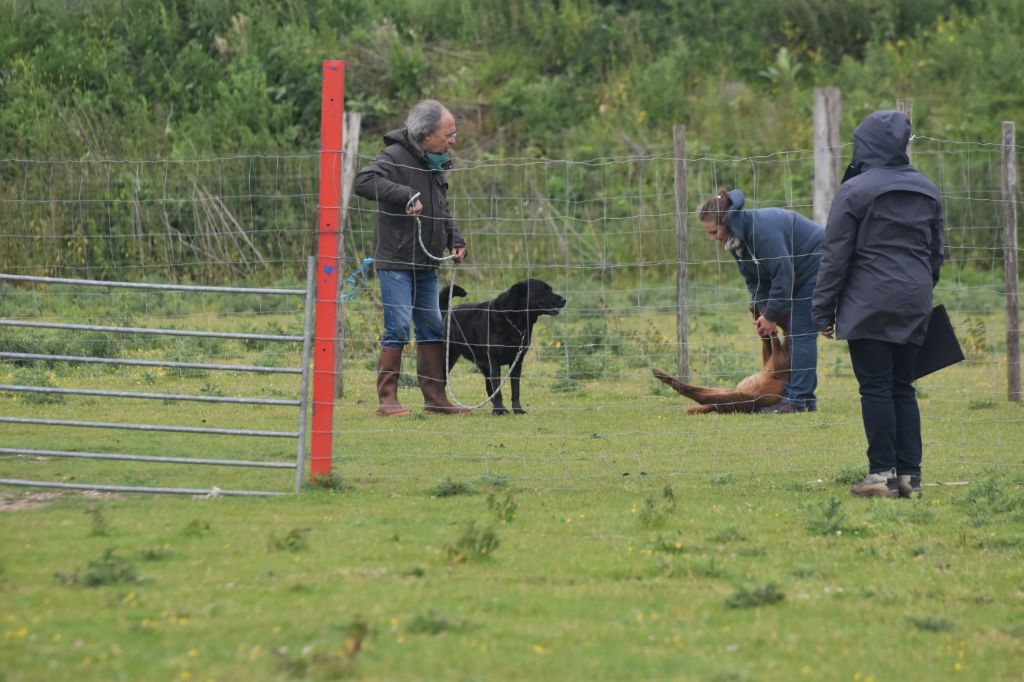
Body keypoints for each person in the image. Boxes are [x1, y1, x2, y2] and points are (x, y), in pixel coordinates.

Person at [811, 110, 944, 498]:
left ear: (865, 144)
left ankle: (880, 476)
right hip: (914, 300)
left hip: (867, 303)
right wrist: (919, 290)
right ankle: (910, 478)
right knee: (903, 387)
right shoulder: (928, 190)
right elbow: (935, 254)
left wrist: (822, 311)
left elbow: (834, 257)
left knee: (876, 388)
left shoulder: (854, 191)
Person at [354, 99, 469, 416]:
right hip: (396, 261)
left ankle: (435, 398)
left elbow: (440, 207)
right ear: (427, 133)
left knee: (432, 325)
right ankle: (387, 400)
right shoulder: (394, 156)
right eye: (449, 134)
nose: (453, 140)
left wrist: (454, 240)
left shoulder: (435, 160)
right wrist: (404, 195)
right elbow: (363, 182)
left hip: (426, 262)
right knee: (399, 327)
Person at [697, 188, 824, 413]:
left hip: (817, 263)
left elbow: (783, 274)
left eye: (714, 231)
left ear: (727, 221)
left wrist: (773, 315)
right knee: (795, 328)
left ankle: (798, 400)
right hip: (795, 272)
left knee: (800, 329)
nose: (712, 238)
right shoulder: (735, 240)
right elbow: (754, 280)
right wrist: (764, 311)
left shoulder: (762, 232)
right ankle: (797, 396)